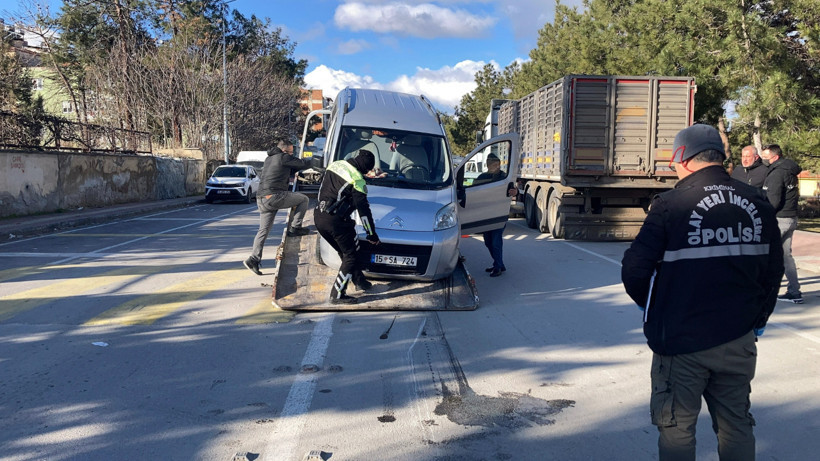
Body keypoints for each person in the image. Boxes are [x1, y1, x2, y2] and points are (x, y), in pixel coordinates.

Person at [621, 124, 784, 461]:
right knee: (737, 426)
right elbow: (773, 271)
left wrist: (653, 309)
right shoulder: (757, 201)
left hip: (680, 340)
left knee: (677, 430)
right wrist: (758, 319)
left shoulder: (671, 204)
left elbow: (635, 270)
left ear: (682, 157)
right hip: (738, 338)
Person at [314, 149, 381, 304]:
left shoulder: (336, 165)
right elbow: (364, 212)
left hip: (319, 216)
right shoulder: (357, 180)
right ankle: (337, 295)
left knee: (346, 250)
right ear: (365, 168)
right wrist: (371, 234)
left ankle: (359, 281)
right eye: (368, 170)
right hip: (336, 221)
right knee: (350, 256)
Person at [243, 139, 315, 276]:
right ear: (284, 150)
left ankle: (253, 259)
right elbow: (302, 163)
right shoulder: (283, 157)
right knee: (303, 199)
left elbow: (288, 168)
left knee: (263, 231)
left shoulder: (269, 159)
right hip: (274, 196)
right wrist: (315, 160)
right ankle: (295, 227)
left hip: (262, 198)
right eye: (291, 152)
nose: (292, 155)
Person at [760, 144, 804, 303]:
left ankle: (762, 291)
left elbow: (773, 200)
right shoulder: (790, 170)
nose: (764, 160)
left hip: (779, 219)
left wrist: (764, 217)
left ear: (775, 157)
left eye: (766, 157)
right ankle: (794, 291)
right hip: (790, 217)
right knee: (786, 256)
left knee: (765, 254)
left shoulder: (777, 173)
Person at [473, 153, 517, 277]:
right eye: (493, 164)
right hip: (486, 215)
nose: (496, 166)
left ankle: (498, 267)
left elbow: (514, 189)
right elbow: (473, 190)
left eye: (497, 164)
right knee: (488, 241)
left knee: (496, 241)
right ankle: (499, 264)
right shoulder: (482, 177)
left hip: (499, 214)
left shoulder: (504, 177)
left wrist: (515, 191)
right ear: (488, 165)